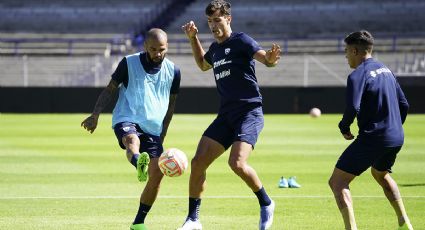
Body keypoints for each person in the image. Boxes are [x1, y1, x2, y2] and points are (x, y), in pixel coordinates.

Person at [180, 1, 281, 229]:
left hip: (249, 112)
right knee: (198, 162)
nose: (213, 25)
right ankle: (193, 220)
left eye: (217, 20)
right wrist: (193, 38)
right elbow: (202, 65)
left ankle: (266, 203)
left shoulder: (242, 40)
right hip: (226, 115)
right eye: (209, 21)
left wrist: (271, 60)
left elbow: (265, 59)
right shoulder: (215, 50)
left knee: (236, 163)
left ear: (228, 19)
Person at [81, 28, 181, 230]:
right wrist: (95, 114)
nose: (158, 53)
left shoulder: (174, 72)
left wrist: (163, 134)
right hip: (127, 116)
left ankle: (138, 223)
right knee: (132, 140)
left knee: (157, 176)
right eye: (153, 49)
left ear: (167, 47)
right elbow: (110, 89)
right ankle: (137, 161)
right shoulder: (129, 63)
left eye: (161, 49)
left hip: (153, 127)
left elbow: (171, 106)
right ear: (145, 46)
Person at [328, 30, 413, 230]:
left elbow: (353, 107)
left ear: (356, 50)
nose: (346, 55)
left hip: (374, 136)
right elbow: (405, 104)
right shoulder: (386, 70)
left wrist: (344, 127)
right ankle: (404, 221)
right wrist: (393, 128)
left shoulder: (358, 75)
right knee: (380, 173)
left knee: (337, 182)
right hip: (396, 136)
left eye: (347, 51)